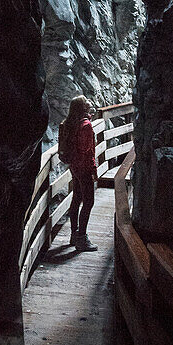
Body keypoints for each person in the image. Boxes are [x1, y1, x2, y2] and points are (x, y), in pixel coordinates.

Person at [63, 95, 98, 251]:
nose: (89, 103)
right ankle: (81, 238)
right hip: (83, 168)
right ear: (83, 108)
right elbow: (87, 151)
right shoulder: (85, 126)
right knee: (88, 201)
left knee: (76, 198)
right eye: (86, 102)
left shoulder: (71, 124)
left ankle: (73, 234)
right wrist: (93, 170)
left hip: (74, 166)